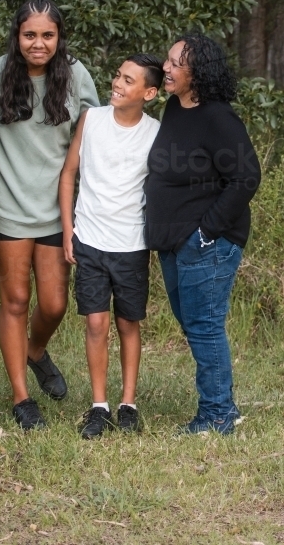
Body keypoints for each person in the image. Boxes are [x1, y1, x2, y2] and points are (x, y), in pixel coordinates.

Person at [0, 0, 100, 430]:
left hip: (55, 209)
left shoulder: (77, 76)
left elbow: (94, 138)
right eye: (30, 35)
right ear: (17, 36)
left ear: (59, 37)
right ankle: (22, 398)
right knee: (15, 300)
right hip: (6, 207)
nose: (38, 43)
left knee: (54, 303)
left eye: (47, 35)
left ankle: (35, 351)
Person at [145, 33, 261, 435]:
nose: (167, 68)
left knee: (204, 325)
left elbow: (246, 177)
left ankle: (217, 415)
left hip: (206, 244)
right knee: (194, 322)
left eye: (176, 62)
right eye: (168, 60)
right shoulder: (175, 110)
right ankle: (223, 404)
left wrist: (206, 232)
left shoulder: (218, 118)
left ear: (199, 71)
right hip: (174, 242)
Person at [59, 54, 162, 438]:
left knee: (127, 323)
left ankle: (128, 403)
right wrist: (69, 229)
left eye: (129, 80)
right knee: (97, 323)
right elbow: (69, 173)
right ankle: (99, 405)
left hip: (132, 244)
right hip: (90, 240)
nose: (118, 83)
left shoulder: (155, 133)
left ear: (149, 93)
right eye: (118, 75)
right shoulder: (92, 119)